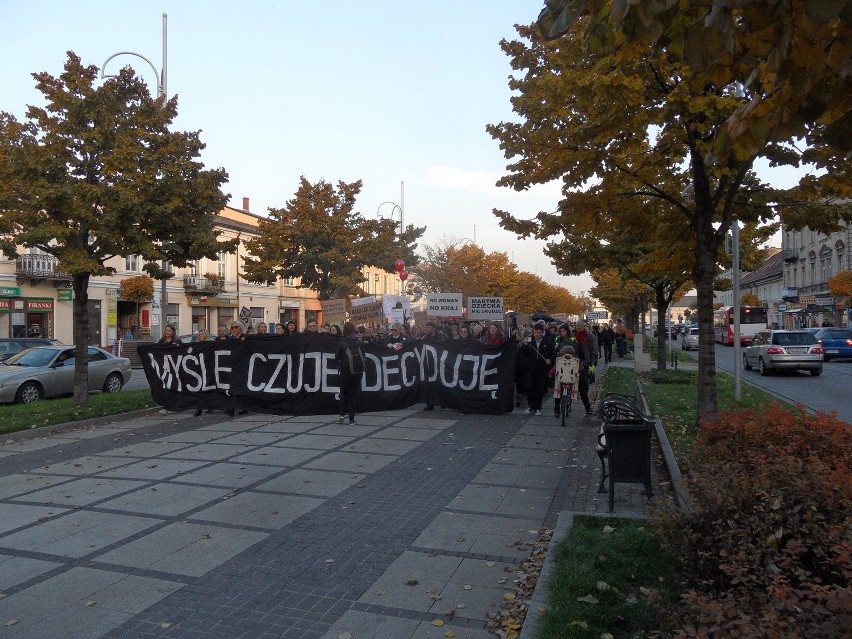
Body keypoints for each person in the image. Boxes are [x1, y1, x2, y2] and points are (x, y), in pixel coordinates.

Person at [519, 323, 556, 416]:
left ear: (542, 333)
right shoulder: (529, 341)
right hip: (530, 368)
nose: (536, 334)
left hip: (542, 369)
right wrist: (524, 346)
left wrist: (550, 360)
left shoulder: (547, 342)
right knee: (529, 387)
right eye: (535, 332)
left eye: (538, 332)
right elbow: (521, 353)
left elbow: (553, 354)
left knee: (539, 389)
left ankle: (537, 407)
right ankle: (531, 406)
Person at [335, 322, 365, 425]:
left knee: (343, 393)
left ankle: (342, 415)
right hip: (358, 372)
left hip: (345, 372)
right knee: (353, 395)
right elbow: (364, 356)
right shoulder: (359, 342)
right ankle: (352, 419)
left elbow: (337, 357)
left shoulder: (341, 342)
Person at [573, 321, 599, 415]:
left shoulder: (590, 337)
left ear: (584, 326)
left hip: (585, 363)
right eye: (577, 326)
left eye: (580, 326)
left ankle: (587, 408)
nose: (578, 327)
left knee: (583, 387)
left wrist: (593, 362)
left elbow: (594, 350)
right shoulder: (573, 336)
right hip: (573, 362)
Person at [552, 345, 580, 419]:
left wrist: (551, 374)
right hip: (571, 380)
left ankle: (557, 409)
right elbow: (581, 369)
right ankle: (569, 402)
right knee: (572, 389)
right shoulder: (575, 360)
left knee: (558, 394)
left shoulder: (559, 360)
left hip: (561, 380)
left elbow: (554, 370)